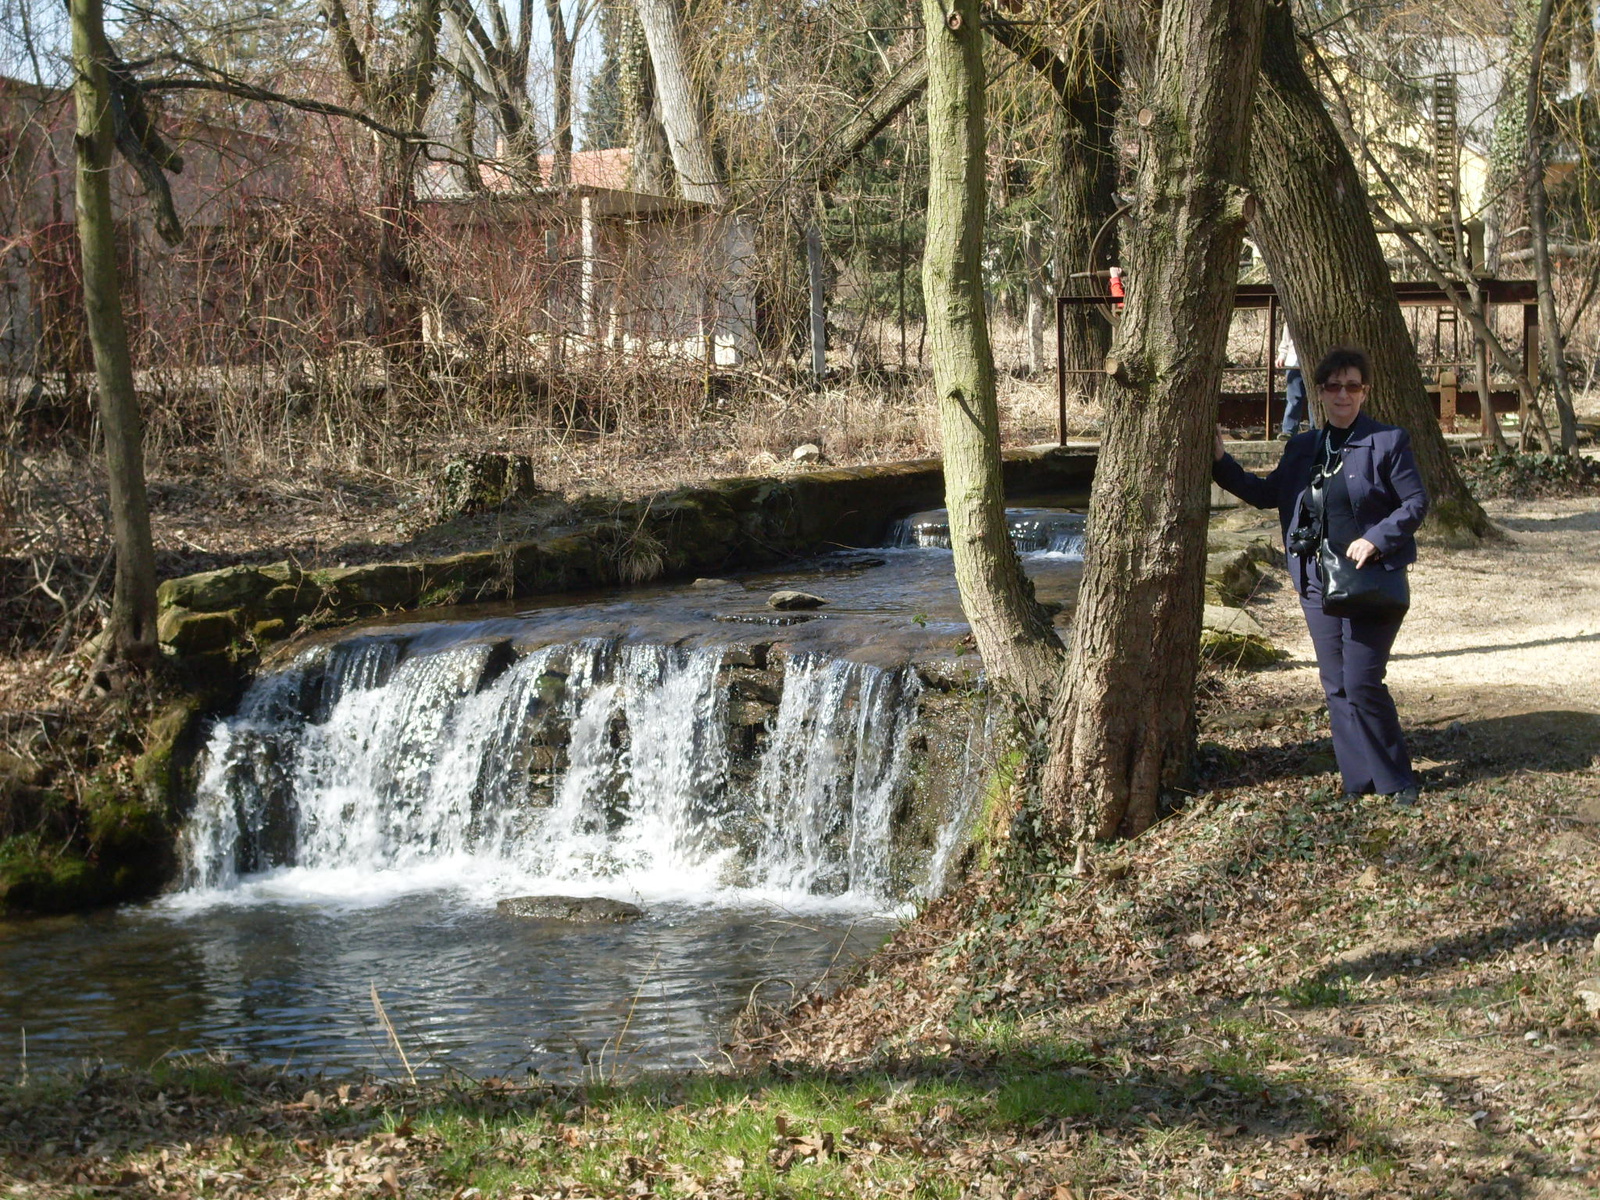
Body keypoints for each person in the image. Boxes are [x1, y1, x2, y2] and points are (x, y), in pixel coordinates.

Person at [1212, 346, 1428, 806]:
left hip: (1372, 582)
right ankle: (1359, 781)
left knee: (1365, 680)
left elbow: (1415, 504)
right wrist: (1220, 461)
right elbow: (1265, 493)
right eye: (1334, 386)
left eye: (1352, 386)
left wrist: (1377, 538)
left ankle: (1397, 780)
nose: (1343, 395)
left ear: (1365, 391)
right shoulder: (1303, 447)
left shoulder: (1388, 442)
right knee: (1336, 684)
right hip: (1315, 582)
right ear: (1321, 393)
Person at [1276, 322, 1307, 439]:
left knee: (1316, 398)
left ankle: (1316, 429)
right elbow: (1285, 341)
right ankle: (1288, 431)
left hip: (1315, 364)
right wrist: (1282, 356)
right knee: (1293, 398)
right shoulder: (1290, 320)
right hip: (1293, 363)